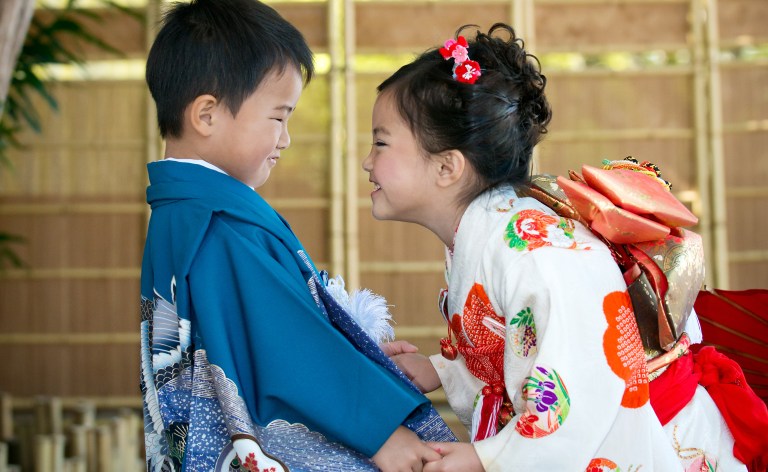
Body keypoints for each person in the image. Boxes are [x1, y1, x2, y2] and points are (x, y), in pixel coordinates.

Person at [363, 23, 750, 471]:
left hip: (655, 441)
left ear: (447, 166)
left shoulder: (535, 252)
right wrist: (440, 370)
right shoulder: (493, 232)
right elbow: (523, 347)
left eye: (380, 142)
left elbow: (581, 385)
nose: (367, 162)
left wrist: (489, 459)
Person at [139, 0, 455, 470]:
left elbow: (252, 337)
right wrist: (381, 433)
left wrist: (354, 352)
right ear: (206, 115)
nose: (285, 139)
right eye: (278, 117)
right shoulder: (217, 224)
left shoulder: (183, 216)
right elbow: (284, 344)